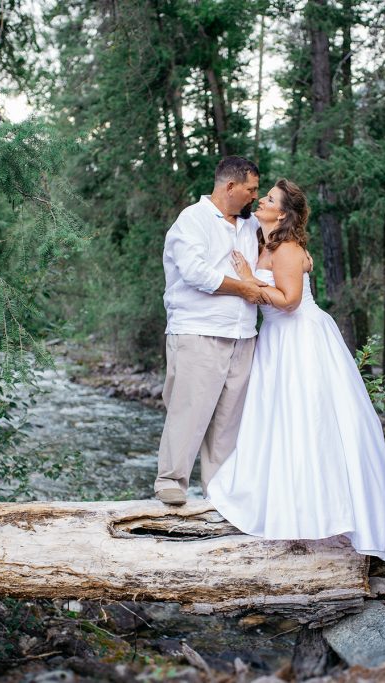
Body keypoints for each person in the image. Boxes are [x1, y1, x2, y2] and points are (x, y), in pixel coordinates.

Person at [206, 179, 385, 561]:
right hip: (276, 339)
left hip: (299, 338)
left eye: (269, 199)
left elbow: (290, 301)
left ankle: (325, 514)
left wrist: (248, 281)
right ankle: (288, 506)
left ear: (282, 213)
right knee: (279, 423)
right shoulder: (266, 242)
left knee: (308, 421)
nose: (261, 201)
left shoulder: (287, 248)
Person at [154, 156, 267, 506]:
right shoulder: (193, 219)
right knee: (189, 409)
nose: (254, 196)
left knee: (228, 421)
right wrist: (244, 288)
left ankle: (219, 492)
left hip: (243, 334)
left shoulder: (250, 226)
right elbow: (195, 273)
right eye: (251, 189)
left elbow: (282, 245)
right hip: (198, 330)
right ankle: (171, 480)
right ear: (230, 186)